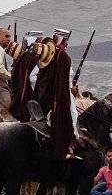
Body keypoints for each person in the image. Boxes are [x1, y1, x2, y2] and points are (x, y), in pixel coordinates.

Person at [33, 28, 79, 160]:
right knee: (71, 117)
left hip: (47, 95)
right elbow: (62, 81)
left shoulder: (48, 57)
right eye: (65, 41)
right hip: (61, 95)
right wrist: (70, 92)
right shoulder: (62, 56)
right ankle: (67, 147)